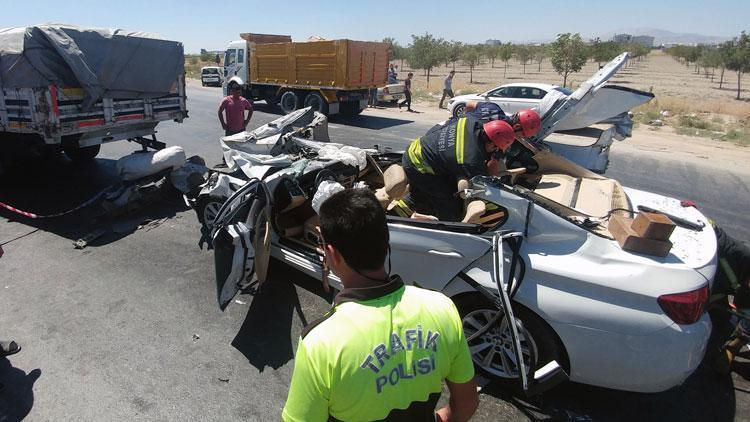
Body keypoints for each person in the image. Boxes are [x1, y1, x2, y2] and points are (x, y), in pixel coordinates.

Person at [282, 189, 478, 422]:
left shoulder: (320, 342)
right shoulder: (442, 308)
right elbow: (466, 404)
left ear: (331, 253)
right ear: (387, 243)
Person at [401, 116, 516, 221]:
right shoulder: (471, 159)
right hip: (419, 165)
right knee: (448, 203)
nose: (496, 152)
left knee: (421, 193)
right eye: (497, 149)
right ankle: (448, 231)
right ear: (492, 144)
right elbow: (484, 187)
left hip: (418, 148)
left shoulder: (471, 121)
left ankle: (396, 211)